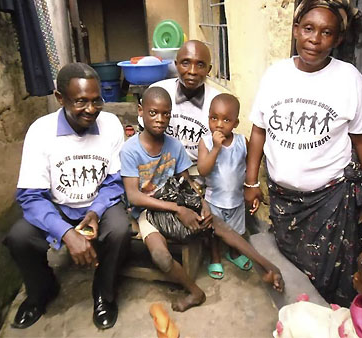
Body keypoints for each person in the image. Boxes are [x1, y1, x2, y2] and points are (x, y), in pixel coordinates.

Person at [245, 0, 362, 306]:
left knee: (331, 274)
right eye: (308, 28)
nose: (315, 39)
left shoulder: (349, 79)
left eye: (326, 32)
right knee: (288, 266)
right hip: (283, 200)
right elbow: (258, 130)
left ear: (338, 39)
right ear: (296, 30)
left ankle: (327, 321)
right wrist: (251, 182)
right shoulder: (275, 75)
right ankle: (298, 318)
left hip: (330, 201)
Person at [120, 87, 284, 312]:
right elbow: (134, 196)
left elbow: (186, 182)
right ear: (141, 111)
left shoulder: (174, 145)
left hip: (177, 202)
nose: (160, 119)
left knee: (220, 226)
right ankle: (195, 292)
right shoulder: (130, 150)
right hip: (149, 211)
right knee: (161, 256)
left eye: (166, 114)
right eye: (153, 113)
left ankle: (268, 266)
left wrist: (202, 204)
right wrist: (178, 209)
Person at [4, 63, 132, 330]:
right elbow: (31, 196)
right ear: (60, 98)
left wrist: (96, 211)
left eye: (97, 100)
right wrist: (65, 232)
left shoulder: (110, 125)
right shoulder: (41, 131)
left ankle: (103, 294)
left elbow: (114, 181)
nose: (91, 109)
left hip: (97, 205)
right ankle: (42, 291)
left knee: (120, 228)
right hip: (57, 206)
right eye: (81, 101)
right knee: (19, 237)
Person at [150, 40, 225, 278]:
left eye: (200, 65)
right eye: (185, 63)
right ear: (175, 64)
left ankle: (216, 248)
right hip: (163, 171)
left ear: (209, 70)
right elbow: (149, 141)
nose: (192, 71)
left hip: (200, 171)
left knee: (215, 204)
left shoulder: (218, 100)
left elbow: (221, 146)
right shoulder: (160, 92)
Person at [197, 93, 259, 279]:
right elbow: (203, 170)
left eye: (226, 119)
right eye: (214, 118)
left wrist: (253, 190)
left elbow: (249, 169)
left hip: (236, 199)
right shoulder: (206, 142)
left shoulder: (242, 142)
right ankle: (215, 258)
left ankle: (233, 253)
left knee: (237, 232)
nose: (219, 124)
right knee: (215, 233)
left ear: (236, 123)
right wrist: (216, 148)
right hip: (214, 200)